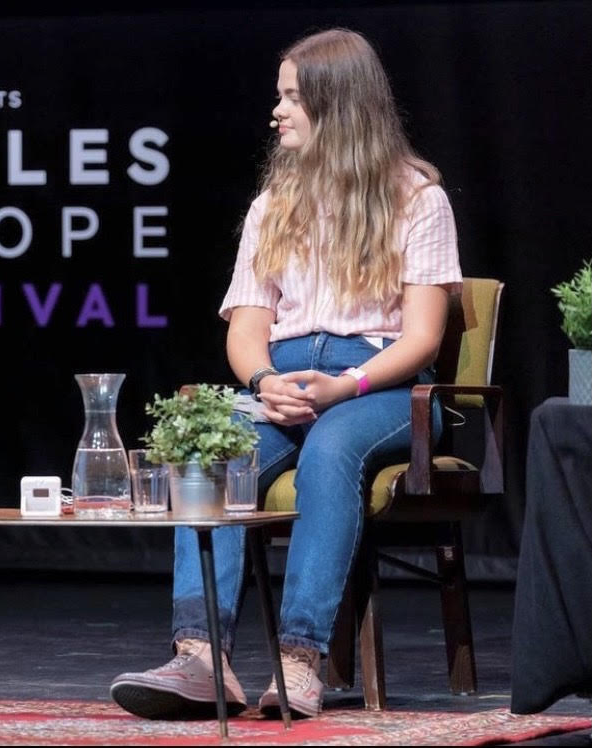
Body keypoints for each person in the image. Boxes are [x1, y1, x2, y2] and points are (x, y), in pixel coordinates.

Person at [110, 29, 462, 719]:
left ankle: (299, 661)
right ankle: (200, 658)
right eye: (279, 97)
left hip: (382, 386)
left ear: (338, 105)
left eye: (292, 97)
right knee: (207, 450)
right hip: (288, 378)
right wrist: (262, 380)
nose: (276, 112)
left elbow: (421, 337)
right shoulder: (272, 205)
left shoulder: (416, 199)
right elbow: (245, 327)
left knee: (332, 447)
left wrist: (345, 388)